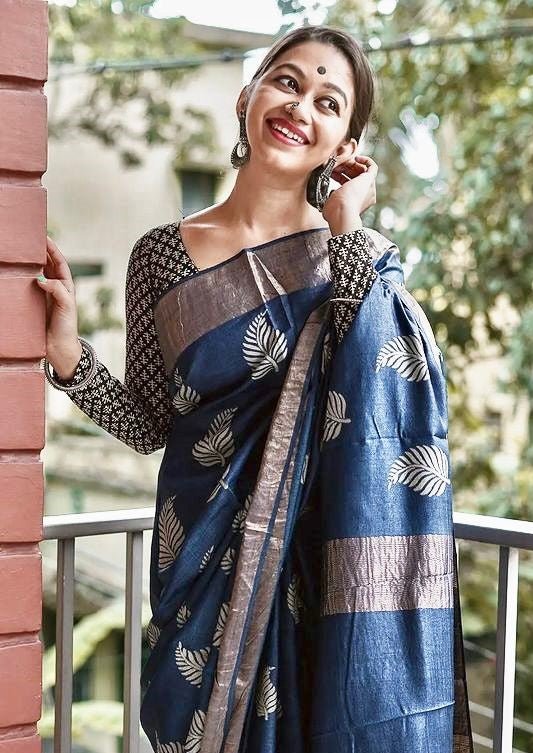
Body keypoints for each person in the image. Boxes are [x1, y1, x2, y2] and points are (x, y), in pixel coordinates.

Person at [38, 24, 473, 753]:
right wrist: (68, 357)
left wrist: (346, 221)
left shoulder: (350, 259)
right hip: (198, 572)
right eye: (288, 82)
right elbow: (150, 424)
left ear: (345, 146)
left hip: (312, 579)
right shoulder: (161, 256)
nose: (301, 106)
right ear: (249, 96)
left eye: (329, 102)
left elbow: (379, 390)